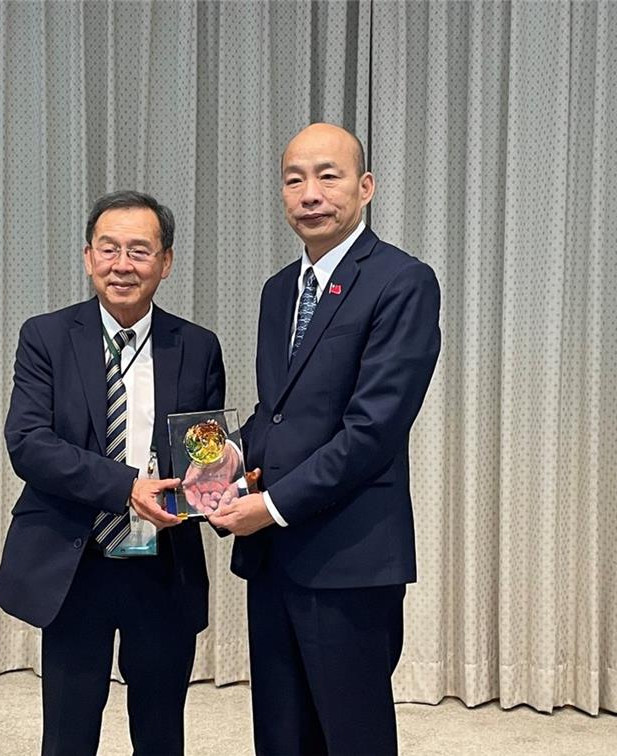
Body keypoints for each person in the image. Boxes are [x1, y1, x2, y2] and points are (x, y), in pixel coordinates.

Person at [209, 123, 441, 755]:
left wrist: (270, 506)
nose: (310, 193)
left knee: (352, 737)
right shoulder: (278, 290)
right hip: (273, 558)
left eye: (327, 176)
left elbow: (372, 431)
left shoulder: (402, 281)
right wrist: (227, 456)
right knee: (281, 735)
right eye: (294, 180)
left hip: (349, 557)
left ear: (364, 188)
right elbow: (279, 414)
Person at [0, 191, 226, 756]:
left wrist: (225, 486)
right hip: (77, 563)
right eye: (109, 249)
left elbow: (205, 450)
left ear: (165, 262)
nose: (123, 265)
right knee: (68, 732)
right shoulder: (46, 337)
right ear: (88, 257)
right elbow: (29, 444)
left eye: (139, 251)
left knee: (161, 731)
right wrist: (126, 488)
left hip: (162, 564)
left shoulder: (197, 346)